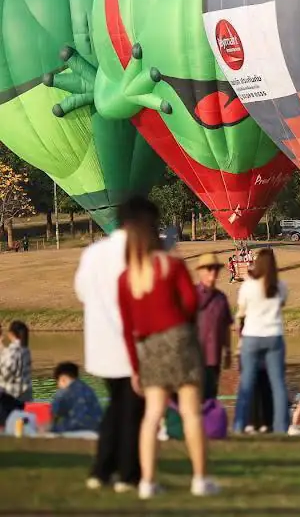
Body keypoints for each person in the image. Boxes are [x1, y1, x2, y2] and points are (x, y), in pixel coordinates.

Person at [116, 209, 217, 499]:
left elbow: (127, 328)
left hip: (148, 346)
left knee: (152, 415)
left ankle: (147, 481)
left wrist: (135, 367)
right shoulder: (172, 266)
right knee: (190, 412)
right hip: (179, 340)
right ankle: (200, 478)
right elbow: (189, 305)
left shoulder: (126, 279)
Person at [75, 197, 150, 493]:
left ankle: (103, 469)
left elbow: (81, 291)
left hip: (100, 345)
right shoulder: (138, 253)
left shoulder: (94, 252)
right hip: (132, 344)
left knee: (117, 407)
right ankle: (127, 473)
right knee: (131, 411)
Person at [234, 248, 290, 435]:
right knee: (278, 384)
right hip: (274, 335)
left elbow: (241, 312)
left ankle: (239, 425)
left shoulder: (248, 286)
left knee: (247, 382)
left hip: (252, 336)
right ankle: (281, 427)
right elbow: (281, 304)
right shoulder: (280, 286)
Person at [193, 254, 231, 403]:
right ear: (200, 271)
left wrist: (228, 350)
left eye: (216, 269)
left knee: (210, 398)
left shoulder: (221, 298)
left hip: (214, 358)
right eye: (209, 269)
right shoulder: (191, 294)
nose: (213, 273)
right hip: (194, 359)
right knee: (194, 400)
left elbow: (226, 325)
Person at [49, 362, 103, 433]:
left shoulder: (70, 392)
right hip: (96, 430)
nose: (58, 386)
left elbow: (78, 421)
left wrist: (52, 429)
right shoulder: (84, 388)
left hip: (86, 431)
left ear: (63, 379)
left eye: (57, 382)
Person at [0, 320, 32, 424]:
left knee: (8, 425)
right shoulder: (25, 349)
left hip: (9, 396)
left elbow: (6, 373)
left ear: (11, 334)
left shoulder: (13, 350)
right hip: (22, 395)